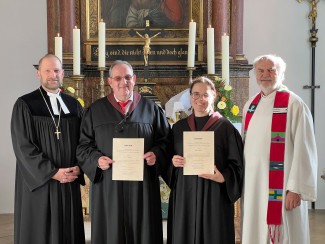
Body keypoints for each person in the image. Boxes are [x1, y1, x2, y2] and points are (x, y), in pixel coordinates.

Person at [76, 60, 170, 244]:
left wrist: (156, 154)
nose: (123, 82)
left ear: (134, 79)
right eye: (118, 78)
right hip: (109, 186)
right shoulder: (95, 110)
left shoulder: (151, 109)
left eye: (127, 77)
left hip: (142, 187)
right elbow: (83, 146)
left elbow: (166, 141)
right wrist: (96, 160)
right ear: (110, 82)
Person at [241, 54, 318, 244]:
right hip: (253, 187)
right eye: (260, 70)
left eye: (271, 70)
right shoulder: (250, 105)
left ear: (281, 74)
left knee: (285, 235)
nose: (265, 74)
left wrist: (295, 189)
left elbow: (304, 148)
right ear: (255, 74)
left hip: (282, 188)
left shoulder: (294, 104)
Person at [11, 54, 85, 244]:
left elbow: (84, 141)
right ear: (38, 74)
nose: (53, 75)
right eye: (47, 70)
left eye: (57, 70)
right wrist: (52, 172)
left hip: (68, 178)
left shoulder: (74, 105)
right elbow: (23, 146)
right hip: (41, 182)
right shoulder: (25, 104)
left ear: (63, 74)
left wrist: (79, 166)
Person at [167, 76, 243, 244]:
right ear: (190, 96)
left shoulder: (226, 128)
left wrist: (223, 177)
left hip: (214, 196)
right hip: (185, 196)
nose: (200, 99)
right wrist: (173, 162)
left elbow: (238, 165)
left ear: (214, 95)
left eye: (205, 95)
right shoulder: (179, 128)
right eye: (195, 94)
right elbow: (167, 160)